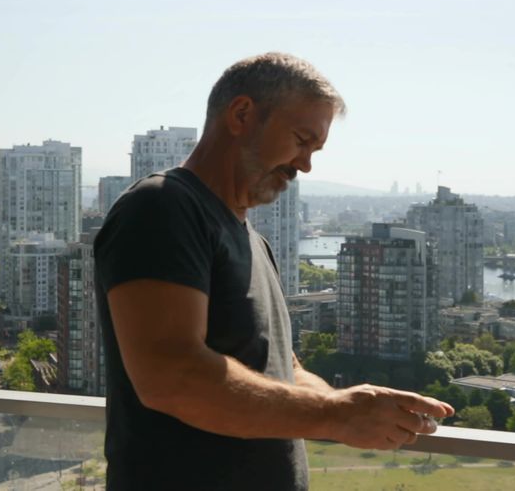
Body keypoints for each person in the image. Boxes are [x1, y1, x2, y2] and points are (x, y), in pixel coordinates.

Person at [95, 53, 454, 490]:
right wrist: (336, 416)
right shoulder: (162, 207)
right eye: (301, 140)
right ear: (242, 114)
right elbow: (172, 377)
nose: (304, 165)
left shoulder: (252, 241)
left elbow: (284, 368)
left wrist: (357, 405)